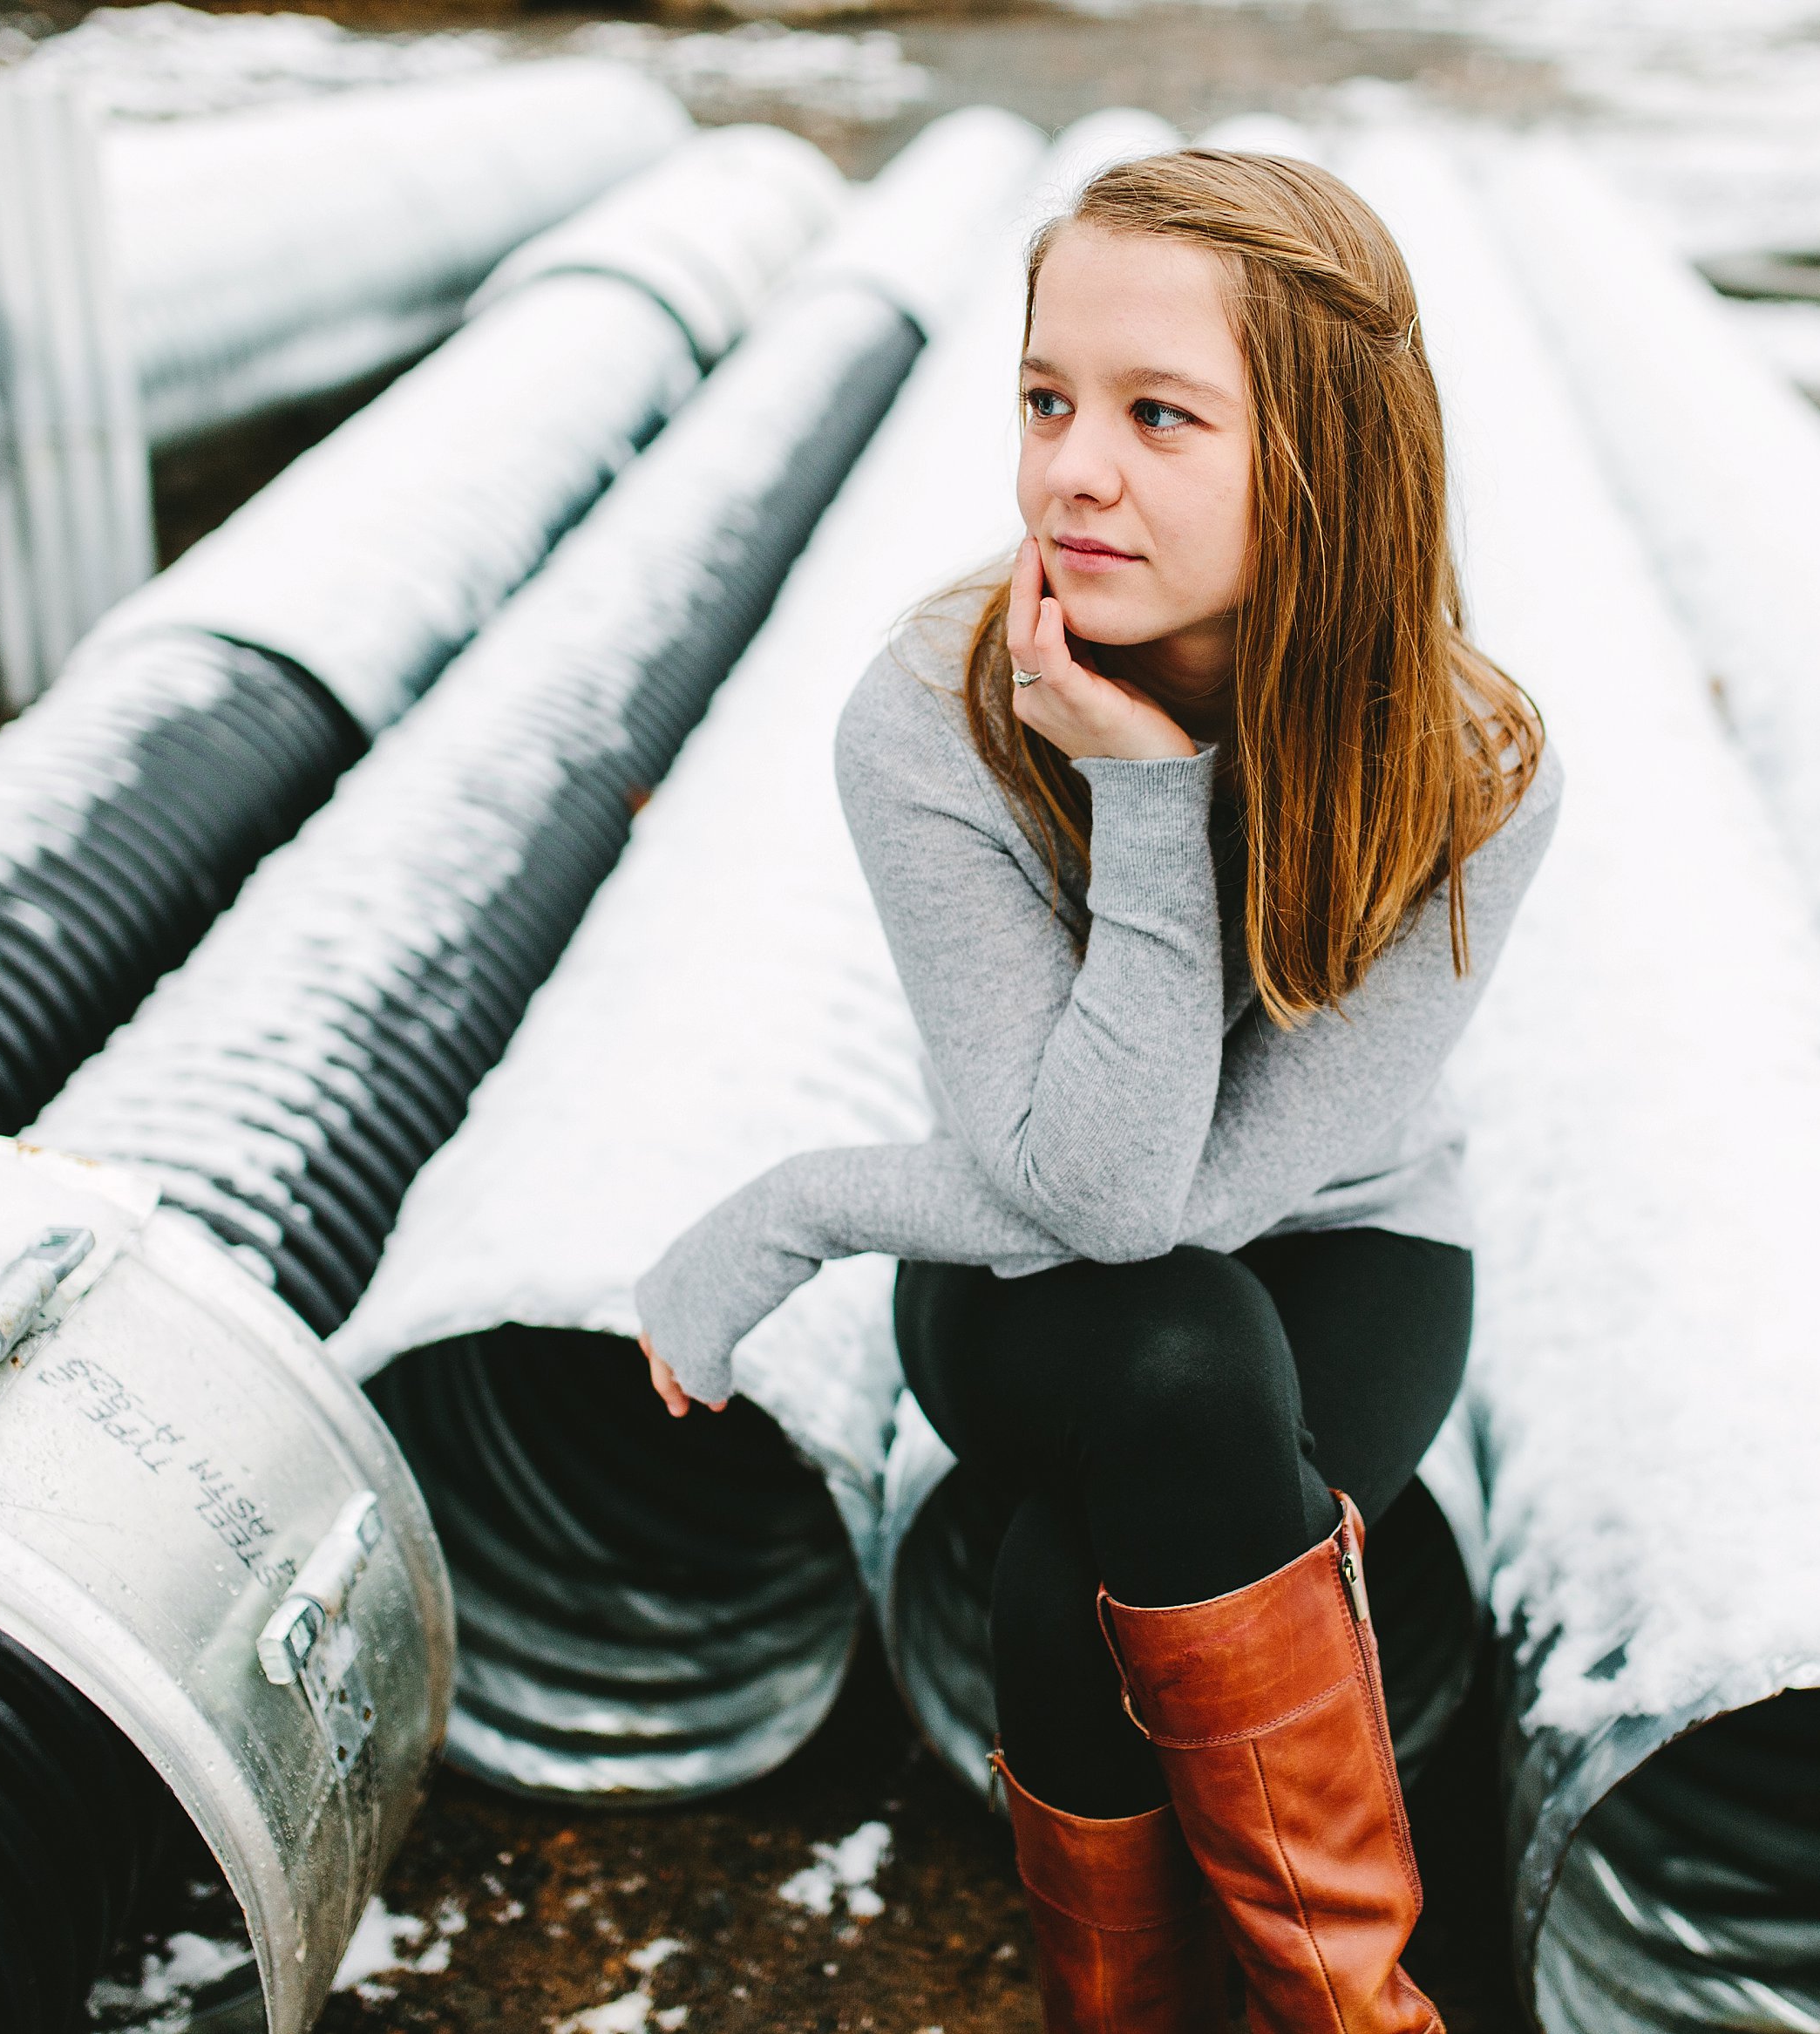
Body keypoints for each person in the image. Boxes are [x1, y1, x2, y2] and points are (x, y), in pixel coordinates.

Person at [634, 147, 1559, 2034]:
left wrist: (800, 1202)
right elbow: (1089, 1199)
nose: (1073, 467)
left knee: (1081, 1580)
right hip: (1018, 1282)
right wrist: (1141, 798)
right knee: (1169, 1351)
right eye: (1047, 398)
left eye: (1160, 415)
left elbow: (1189, 1195)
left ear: (1321, 452)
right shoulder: (937, 719)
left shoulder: (1466, 763)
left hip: (1349, 1243)